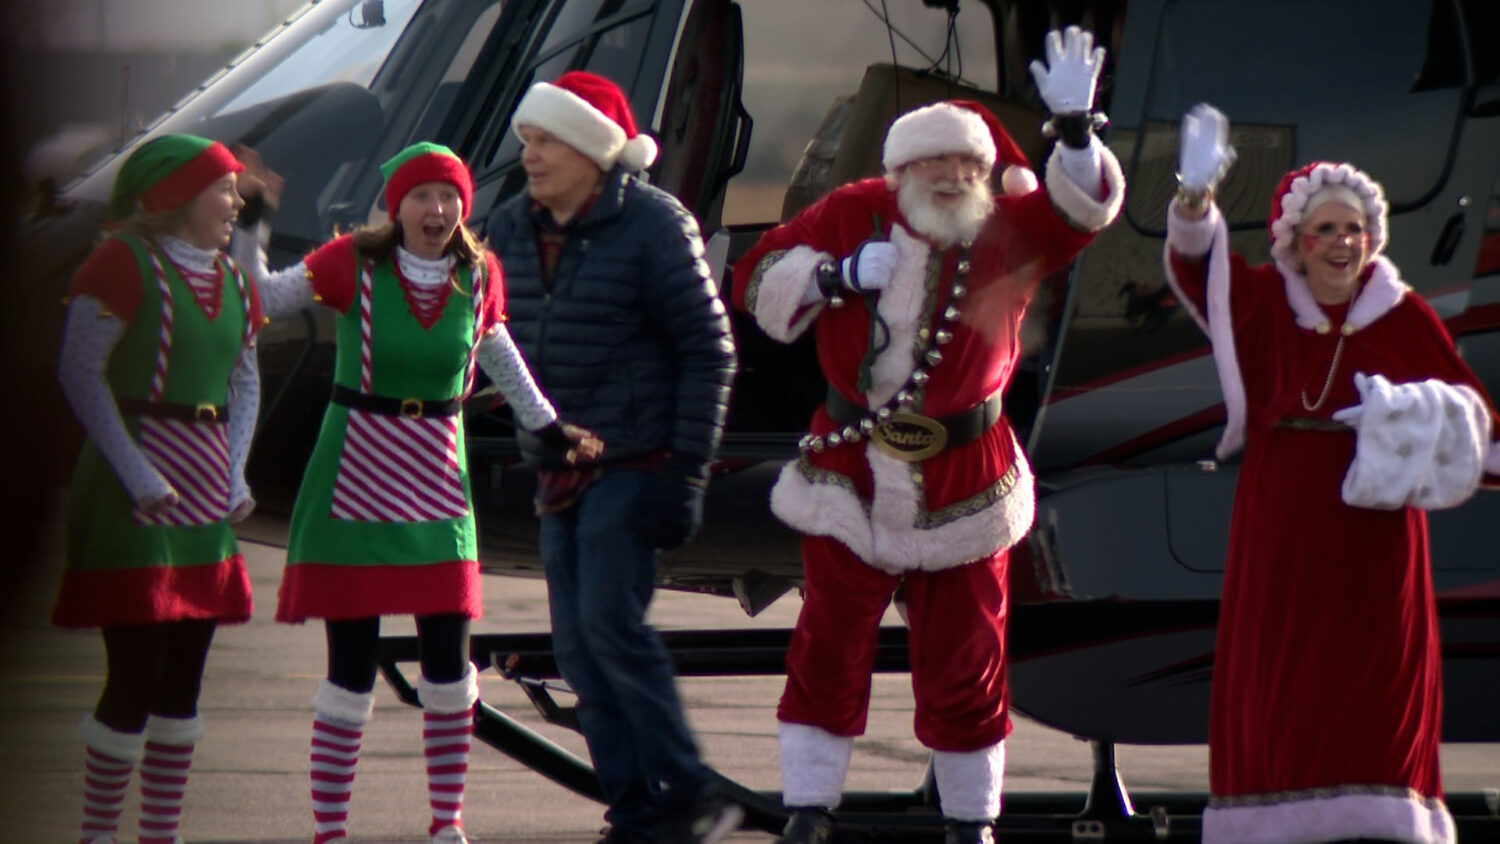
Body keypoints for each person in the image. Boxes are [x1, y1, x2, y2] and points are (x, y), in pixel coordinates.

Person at [731, 27, 1125, 844]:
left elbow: (1078, 212)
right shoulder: (851, 213)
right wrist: (835, 275)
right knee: (828, 644)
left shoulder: (1009, 229)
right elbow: (757, 278)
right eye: (934, 165)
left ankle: (969, 820)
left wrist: (1078, 135)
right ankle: (810, 806)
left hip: (967, 477)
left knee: (966, 655)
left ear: (985, 174)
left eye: (967, 167)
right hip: (851, 473)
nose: (951, 178)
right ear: (899, 171)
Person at [232, 141, 600, 844]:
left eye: (448, 196)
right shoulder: (352, 264)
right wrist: (254, 219)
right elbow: (265, 298)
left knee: (448, 666)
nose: (437, 209)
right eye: (421, 197)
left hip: (436, 475)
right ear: (394, 208)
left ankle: (446, 826)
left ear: (464, 207)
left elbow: (495, 348)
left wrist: (546, 425)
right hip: (355, 474)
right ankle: (330, 831)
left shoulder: (476, 272)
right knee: (349, 672)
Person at [1163, 104, 1500, 843]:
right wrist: (1192, 201)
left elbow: (1477, 425)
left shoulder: (1404, 316)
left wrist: (1409, 421)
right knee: (1282, 680)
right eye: (1327, 230)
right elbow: (1198, 268)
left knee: (1375, 681)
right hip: (1283, 525)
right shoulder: (1264, 307)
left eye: (1355, 229)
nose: (1343, 243)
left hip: (1375, 543)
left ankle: (1379, 818)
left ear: (1372, 239)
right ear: (1297, 243)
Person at [484, 70, 740, 843]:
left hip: (637, 460)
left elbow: (710, 349)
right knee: (576, 650)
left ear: (594, 152)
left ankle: (695, 793)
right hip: (557, 470)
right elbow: (488, 341)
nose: (530, 155)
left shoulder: (656, 225)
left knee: (607, 625)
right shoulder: (504, 226)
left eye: (547, 141)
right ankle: (634, 811)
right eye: (527, 140)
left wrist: (687, 473)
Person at [53, 133, 262, 844]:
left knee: (184, 683)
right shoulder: (122, 264)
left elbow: (244, 378)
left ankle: (160, 835)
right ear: (177, 195)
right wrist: (139, 474)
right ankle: (98, 834)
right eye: (224, 188)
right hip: (130, 489)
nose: (237, 201)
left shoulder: (232, 278)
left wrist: (234, 470)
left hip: (204, 493)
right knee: (136, 674)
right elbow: (80, 374)